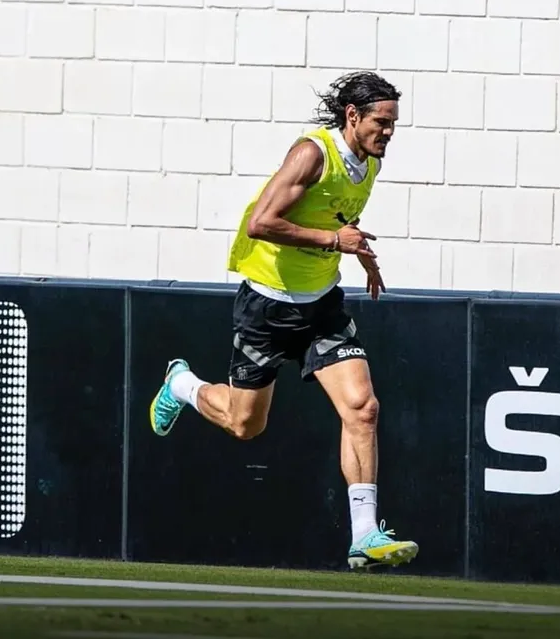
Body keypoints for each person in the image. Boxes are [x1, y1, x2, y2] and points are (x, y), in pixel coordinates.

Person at [148, 71, 418, 570]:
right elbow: (262, 223)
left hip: (321, 307)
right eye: (382, 122)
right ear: (352, 116)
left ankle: (364, 536)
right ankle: (182, 385)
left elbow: (335, 217)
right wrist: (336, 243)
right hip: (268, 305)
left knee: (363, 408)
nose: (389, 132)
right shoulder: (311, 154)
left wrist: (362, 255)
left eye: (394, 124)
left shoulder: (371, 160)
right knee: (244, 425)